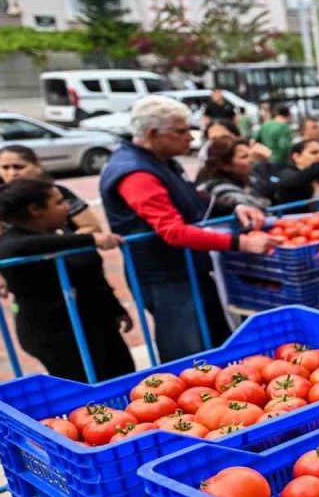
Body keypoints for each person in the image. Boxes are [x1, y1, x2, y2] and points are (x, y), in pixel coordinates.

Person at [99, 95, 281, 362]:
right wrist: (239, 243)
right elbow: (172, 230)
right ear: (152, 133)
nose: (190, 138)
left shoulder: (161, 160)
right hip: (165, 276)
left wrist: (232, 209)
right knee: (188, 353)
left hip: (186, 269)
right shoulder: (136, 173)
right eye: (180, 131)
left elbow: (190, 198)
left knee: (215, 344)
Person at [0, 178, 135, 382]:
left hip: (95, 324)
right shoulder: (11, 242)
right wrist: (90, 239)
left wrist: (115, 308)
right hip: (54, 334)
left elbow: (91, 277)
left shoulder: (60, 233)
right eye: (59, 202)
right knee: (84, 389)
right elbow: (16, 247)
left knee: (123, 376)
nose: (67, 207)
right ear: (35, 209)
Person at [0, 145, 102, 298]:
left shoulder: (57, 193)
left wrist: (64, 243)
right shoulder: (0, 200)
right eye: (5, 167)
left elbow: (92, 226)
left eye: (19, 167)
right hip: (28, 278)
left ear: (37, 166)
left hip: (71, 273)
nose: (12, 173)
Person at [197, 136, 273, 217]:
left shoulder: (250, 179)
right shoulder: (222, 191)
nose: (252, 160)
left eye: (250, 154)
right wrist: (261, 165)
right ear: (225, 165)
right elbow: (261, 207)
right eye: (244, 157)